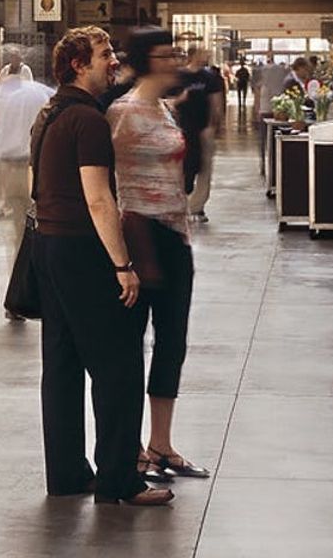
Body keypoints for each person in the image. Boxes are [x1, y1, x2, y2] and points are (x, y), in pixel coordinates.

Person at [30, 25, 173, 508]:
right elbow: (97, 198)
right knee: (119, 366)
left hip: (48, 249)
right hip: (84, 252)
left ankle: (68, 472)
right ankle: (119, 481)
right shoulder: (89, 121)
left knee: (64, 365)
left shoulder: (50, 113)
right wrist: (122, 264)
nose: (113, 60)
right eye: (104, 53)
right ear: (78, 64)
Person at [107, 29, 210, 484]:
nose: (176, 62)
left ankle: (161, 444)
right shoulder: (121, 113)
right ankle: (130, 449)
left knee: (173, 341)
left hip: (175, 235)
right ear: (146, 60)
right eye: (167, 55)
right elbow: (103, 179)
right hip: (138, 234)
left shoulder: (167, 109)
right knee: (129, 343)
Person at [0, 47, 52, 309]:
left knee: (20, 233)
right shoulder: (43, 93)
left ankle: (21, 295)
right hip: (41, 166)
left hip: (10, 168)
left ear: (0, 68)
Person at [175, 47, 225, 224]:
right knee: (181, 167)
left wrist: (214, 124)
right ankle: (180, 204)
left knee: (204, 167)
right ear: (193, 55)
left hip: (203, 128)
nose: (207, 56)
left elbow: (216, 101)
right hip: (181, 128)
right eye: (204, 53)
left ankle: (197, 207)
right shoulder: (179, 76)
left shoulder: (209, 77)